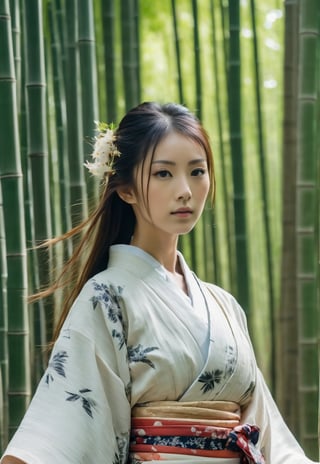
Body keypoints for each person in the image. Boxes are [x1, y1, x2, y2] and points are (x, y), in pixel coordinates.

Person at [1, 102, 318, 464]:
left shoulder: (224, 305)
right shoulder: (106, 298)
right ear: (126, 189)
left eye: (197, 171)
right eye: (163, 174)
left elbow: (272, 439)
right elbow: (58, 436)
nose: (185, 190)